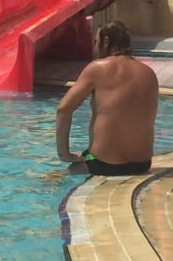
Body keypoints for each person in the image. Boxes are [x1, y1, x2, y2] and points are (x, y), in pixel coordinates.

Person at [55, 20, 159, 175]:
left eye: (96, 42)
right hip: (142, 164)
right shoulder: (148, 72)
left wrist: (64, 154)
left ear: (106, 41)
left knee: (55, 178)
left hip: (104, 164)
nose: (95, 48)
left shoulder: (97, 68)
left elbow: (64, 110)